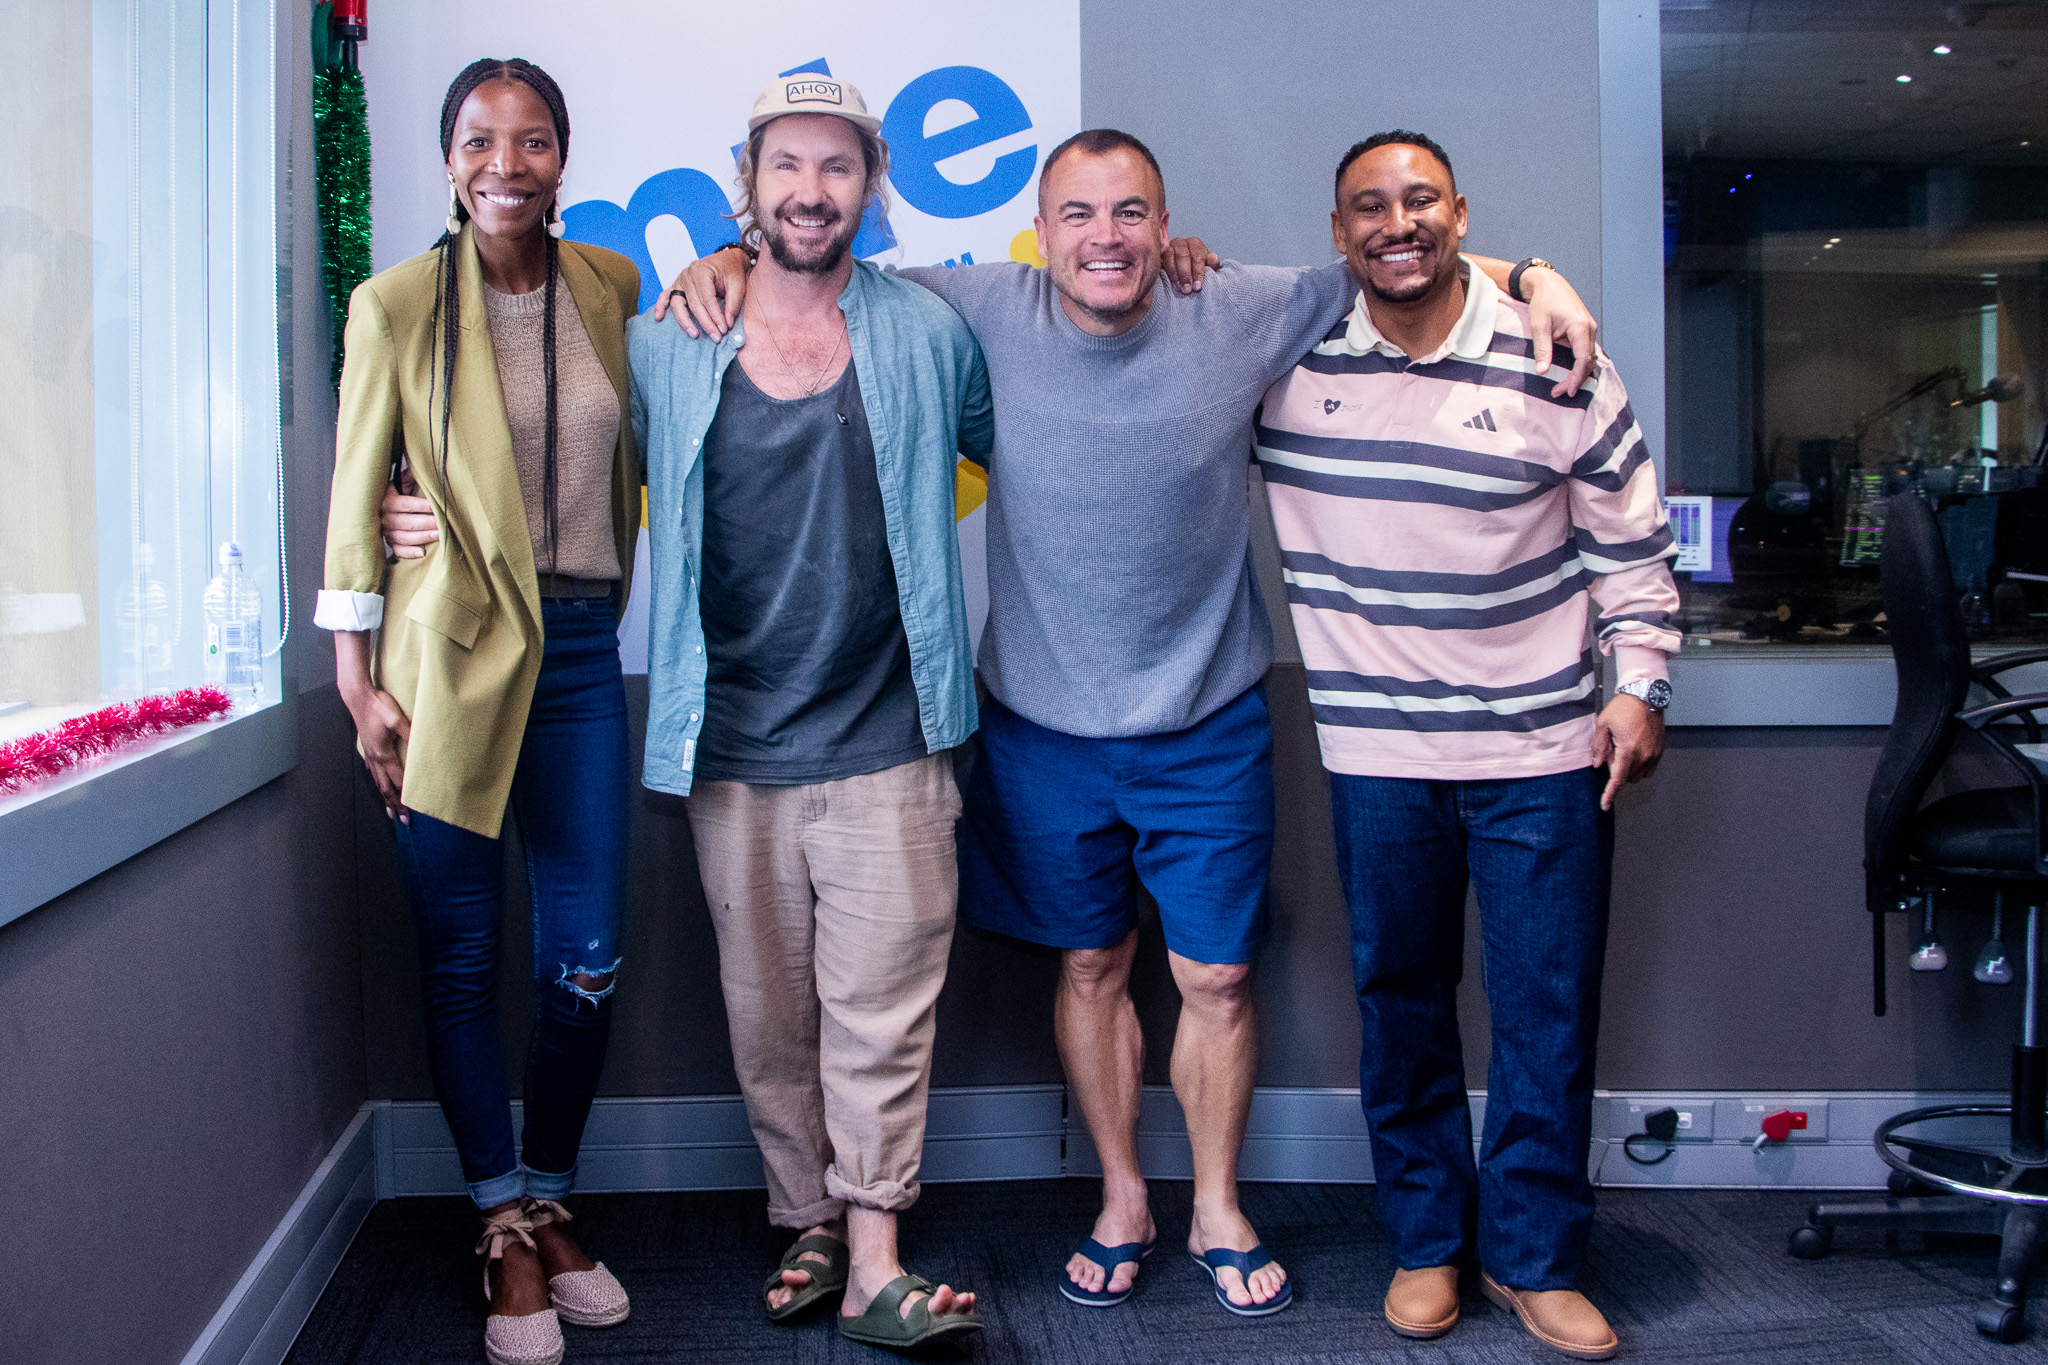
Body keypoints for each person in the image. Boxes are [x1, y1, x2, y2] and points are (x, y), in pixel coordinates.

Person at [661, 127, 1600, 1317]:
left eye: (1128, 213)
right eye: (1077, 215)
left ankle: (1215, 1205)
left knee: (1217, 978)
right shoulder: (975, 310)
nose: (1103, 238)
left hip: (1206, 722)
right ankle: (1121, 1198)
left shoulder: (1235, 308)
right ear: (1037, 232)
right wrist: (727, 260)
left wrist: (1534, 276)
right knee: (1090, 963)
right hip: (1042, 727)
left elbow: (1397, 260)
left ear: (1163, 226)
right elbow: (820, 267)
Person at [1251, 130, 1678, 1359]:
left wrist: (1640, 686)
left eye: (1419, 201)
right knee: (1399, 1006)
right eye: (1368, 207)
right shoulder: (1284, 359)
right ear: (1337, 234)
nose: (1396, 223)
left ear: (1460, 214)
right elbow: (1165, 326)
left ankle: (1532, 1258)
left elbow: (1630, 548)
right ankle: (1427, 1243)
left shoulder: (1555, 352)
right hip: (1376, 756)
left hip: (1543, 753)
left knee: (1546, 1011)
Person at [633, 76, 989, 1350]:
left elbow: (1037, 438)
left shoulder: (929, 332)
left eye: (837, 166)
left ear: (871, 185)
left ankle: (876, 1256)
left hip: (890, 736)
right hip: (729, 744)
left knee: (881, 1012)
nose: (810, 190)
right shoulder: (668, 340)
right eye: (785, 164)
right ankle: (811, 1223)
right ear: (748, 181)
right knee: (768, 1017)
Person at [318, 57, 639, 1365]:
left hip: (581, 655)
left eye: (532, 139)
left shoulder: (610, 284)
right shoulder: (396, 303)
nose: (506, 163)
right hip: (442, 661)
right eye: (479, 140)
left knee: (587, 955)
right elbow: (358, 489)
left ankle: (550, 1194)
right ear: (449, 160)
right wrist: (356, 683)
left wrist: (733, 266)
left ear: (563, 156)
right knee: (460, 958)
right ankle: (499, 1220)